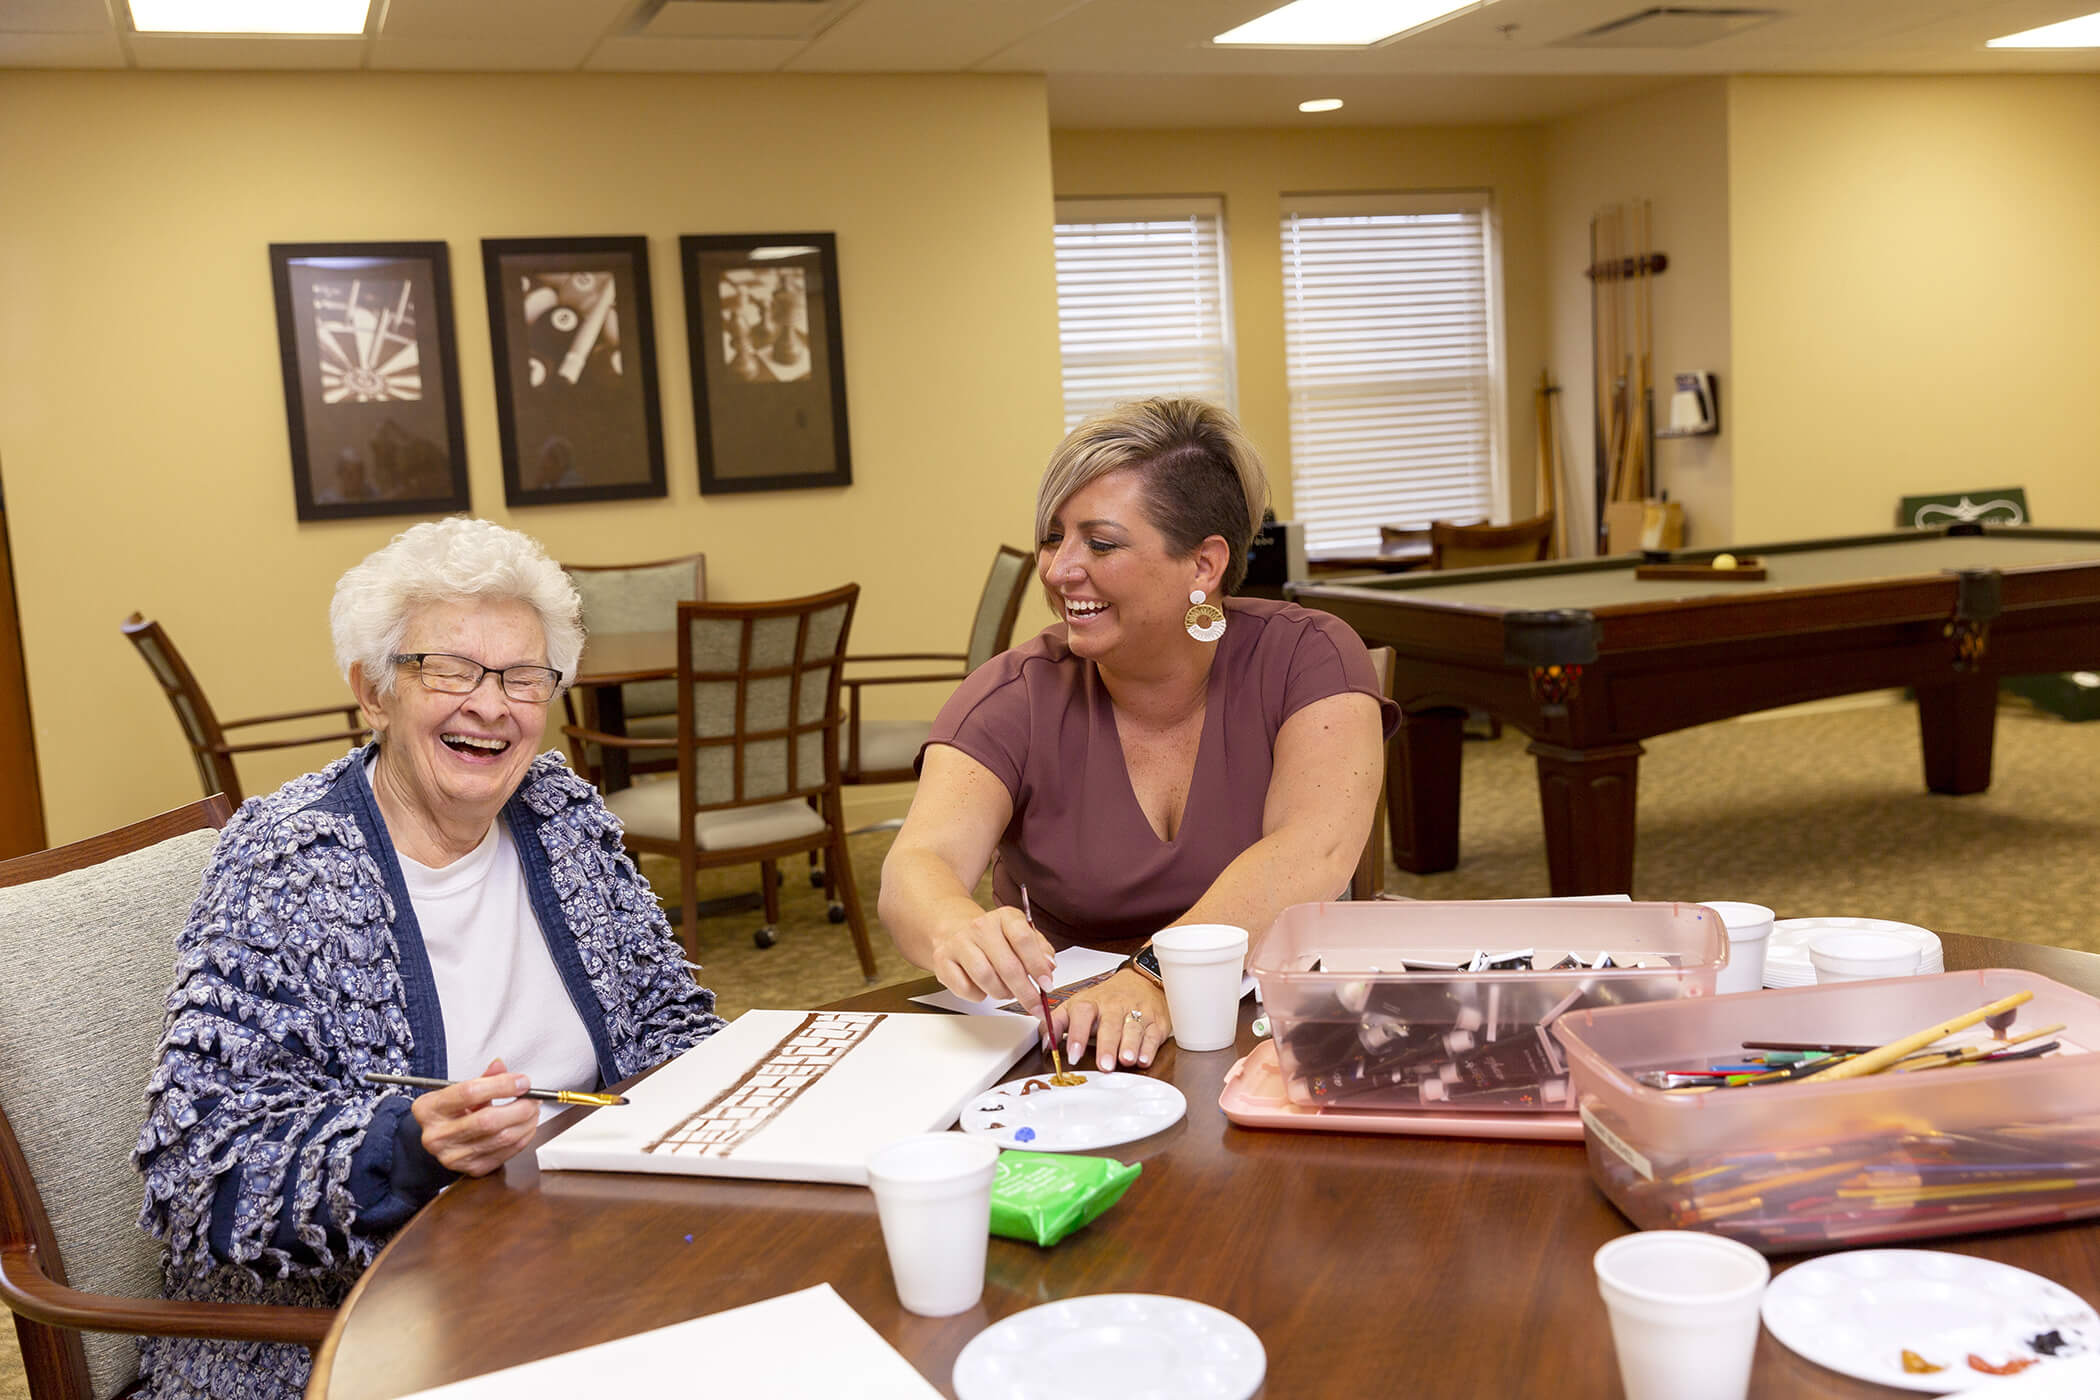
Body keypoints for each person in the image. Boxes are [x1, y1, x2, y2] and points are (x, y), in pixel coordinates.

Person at [132, 518, 723, 1400]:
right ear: (372, 691)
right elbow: (199, 1163)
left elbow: (672, 1023)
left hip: (579, 1246)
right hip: (359, 1324)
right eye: (449, 670)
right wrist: (407, 1146)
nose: (491, 706)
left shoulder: (562, 816)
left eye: (523, 677)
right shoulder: (286, 866)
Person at [879, 398, 1397, 1074]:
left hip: (1274, 1030)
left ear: (1204, 565)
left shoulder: (1311, 658)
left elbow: (1312, 850)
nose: (1060, 570)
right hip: (1084, 1046)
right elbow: (916, 867)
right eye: (1053, 537)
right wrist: (958, 928)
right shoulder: (1013, 697)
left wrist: (1156, 974)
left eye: (1100, 542)